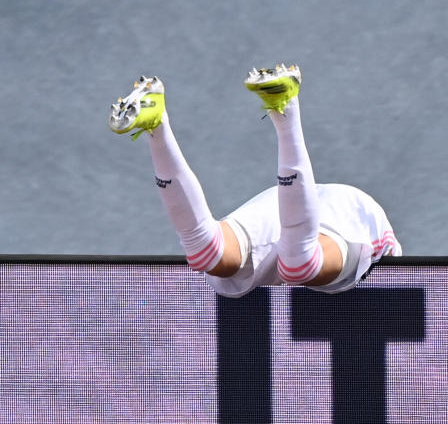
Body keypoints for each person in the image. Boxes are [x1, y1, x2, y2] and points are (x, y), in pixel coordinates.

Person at [108, 64, 400, 297]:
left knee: (215, 254)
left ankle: (159, 128)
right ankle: (283, 107)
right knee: (208, 255)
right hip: (340, 211)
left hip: (330, 211)